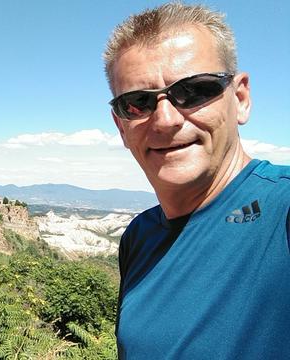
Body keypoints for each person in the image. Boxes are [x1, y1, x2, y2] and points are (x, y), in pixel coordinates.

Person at [104, 2, 290, 359]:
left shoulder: (281, 210)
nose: (166, 120)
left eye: (194, 90)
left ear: (240, 98)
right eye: (137, 103)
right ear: (121, 127)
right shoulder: (139, 236)